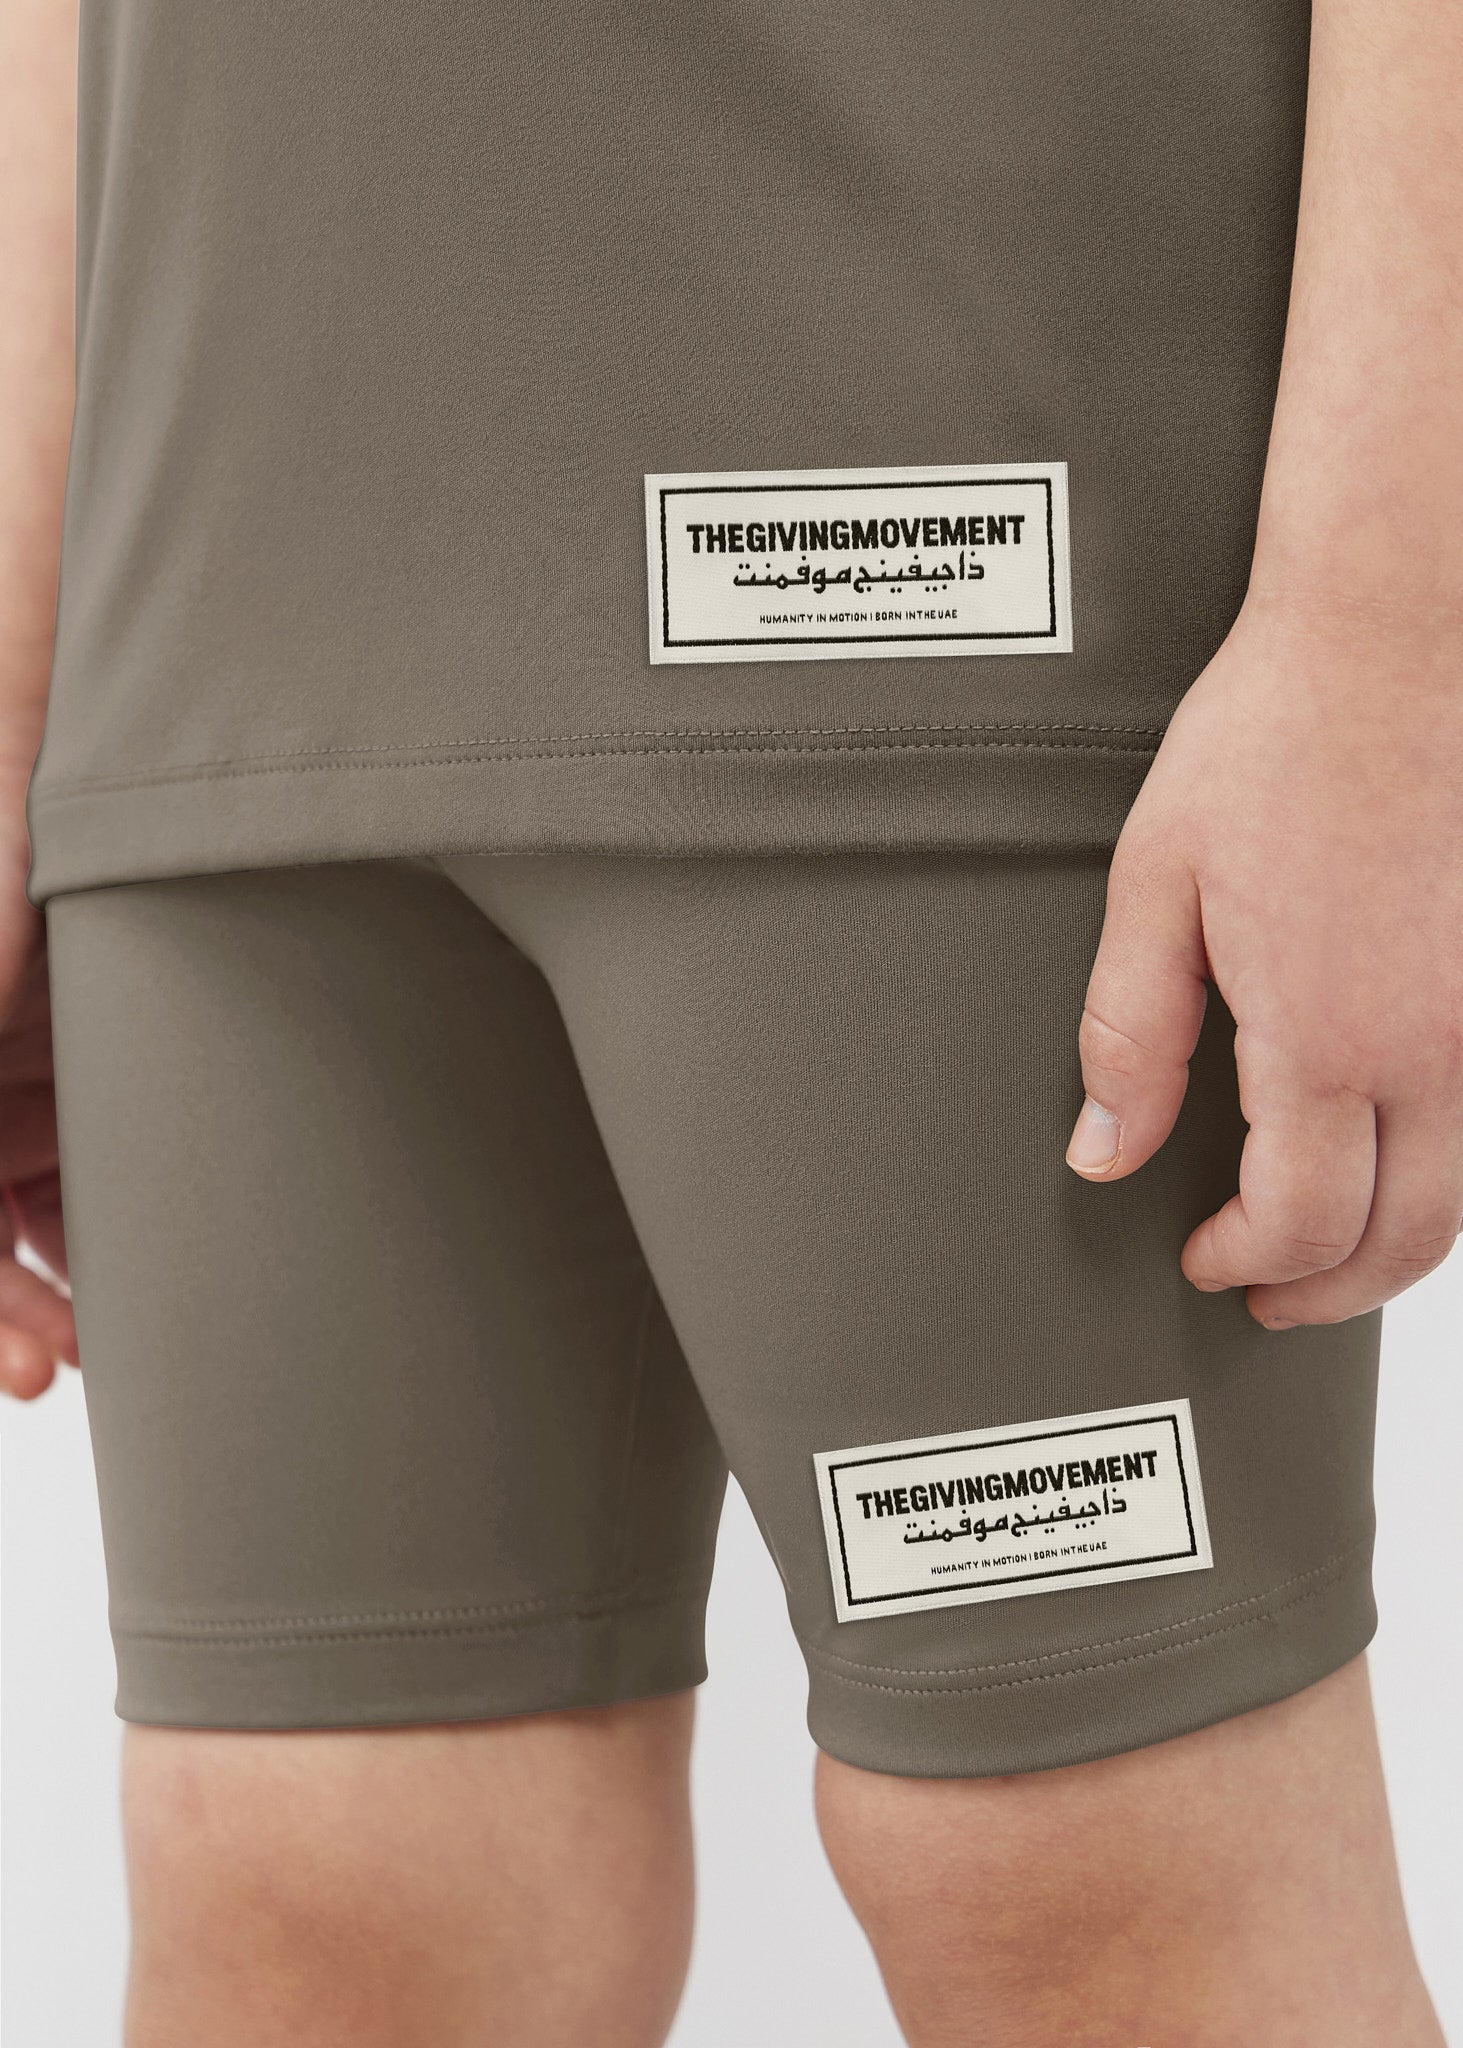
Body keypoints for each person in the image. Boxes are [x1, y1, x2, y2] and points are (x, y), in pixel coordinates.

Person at [2, 0, 1458, 2038]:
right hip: (216, 578)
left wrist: (1398, 613)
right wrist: (20, 669)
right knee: (314, 1893)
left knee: (1084, 1871)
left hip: (949, 535)